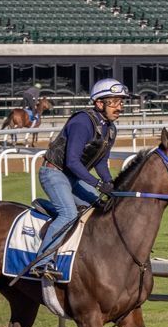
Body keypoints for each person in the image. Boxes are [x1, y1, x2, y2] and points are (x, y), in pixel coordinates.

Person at [32, 78, 127, 278]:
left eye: (121, 102)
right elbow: (72, 161)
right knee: (68, 214)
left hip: (74, 178)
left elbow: (101, 162)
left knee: (101, 207)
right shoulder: (82, 122)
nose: (119, 107)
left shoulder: (110, 129)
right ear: (99, 103)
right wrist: (98, 184)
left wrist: (110, 184)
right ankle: (42, 262)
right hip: (54, 173)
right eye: (114, 102)